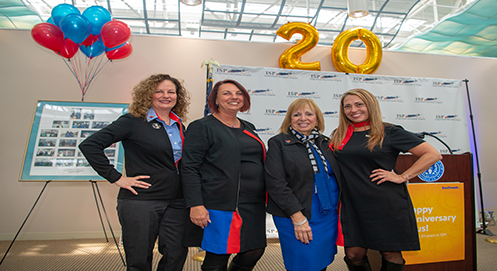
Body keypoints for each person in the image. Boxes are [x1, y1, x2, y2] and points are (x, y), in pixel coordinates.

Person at [79, 74, 202, 271]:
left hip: (178, 201)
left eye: (171, 92)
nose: (166, 95)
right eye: (159, 91)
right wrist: (116, 177)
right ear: (148, 94)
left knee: (176, 254)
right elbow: (90, 145)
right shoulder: (132, 121)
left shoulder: (179, 125)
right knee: (138, 259)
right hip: (141, 201)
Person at [329, 88, 442, 271]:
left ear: (370, 105)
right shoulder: (339, 133)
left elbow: (433, 154)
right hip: (352, 203)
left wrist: (402, 176)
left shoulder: (389, 131)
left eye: (359, 104)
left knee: (390, 253)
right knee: (353, 255)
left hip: (385, 202)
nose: (353, 109)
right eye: (347, 106)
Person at [181, 79, 266, 271]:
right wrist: (195, 204)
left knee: (254, 250)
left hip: (252, 204)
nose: (234, 97)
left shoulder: (248, 126)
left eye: (239, 93)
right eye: (226, 93)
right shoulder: (202, 127)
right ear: (216, 100)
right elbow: (189, 168)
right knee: (218, 256)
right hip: (219, 204)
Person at [265, 98, 341, 271]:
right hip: (295, 213)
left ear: (317, 118)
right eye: (296, 114)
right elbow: (275, 183)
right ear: (289, 119)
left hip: (327, 213)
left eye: (309, 114)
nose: (303, 118)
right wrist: (297, 218)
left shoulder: (325, 142)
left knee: (322, 260)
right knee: (302, 263)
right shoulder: (278, 143)